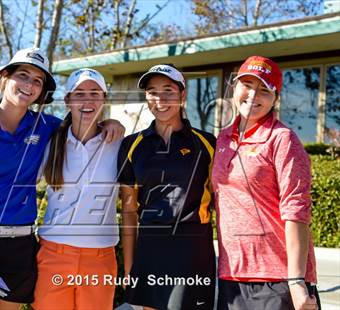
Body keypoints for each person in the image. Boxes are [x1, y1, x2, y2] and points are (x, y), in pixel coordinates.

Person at [0, 48, 124, 310]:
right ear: (4, 77)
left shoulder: (47, 127)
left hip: (19, 245)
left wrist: (112, 123)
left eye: (37, 81)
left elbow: (85, 122)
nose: (29, 85)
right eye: (23, 75)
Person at [211, 56, 320, 310]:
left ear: (275, 98)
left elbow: (297, 211)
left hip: (278, 279)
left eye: (264, 90)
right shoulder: (222, 139)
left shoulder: (283, 140)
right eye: (247, 85)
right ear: (234, 88)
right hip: (232, 275)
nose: (253, 95)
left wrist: (296, 280)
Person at [117, 64, 216, 310]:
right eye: (152, 92)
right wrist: (129, 265)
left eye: (168, 90)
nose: (160, 99)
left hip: (192, 248)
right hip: (149, 249)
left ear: (183, 95)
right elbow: (129, 211)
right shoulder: (131, 145)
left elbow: (222, 203)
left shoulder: (207, 143)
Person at [32, 68, 121, 310]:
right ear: (68, 100)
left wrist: (113, 123)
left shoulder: (120, 144)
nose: (87, 100)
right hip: (53, 254)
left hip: (101, 258)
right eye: (79, 93)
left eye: (95, 92)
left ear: (104, 99)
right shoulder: (50, 142)